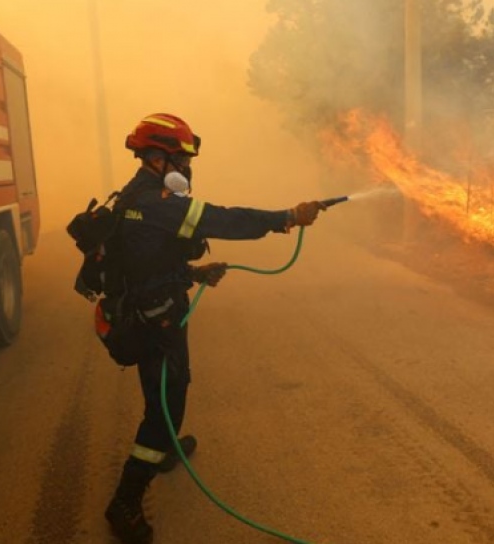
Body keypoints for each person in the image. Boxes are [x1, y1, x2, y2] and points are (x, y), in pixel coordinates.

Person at [99, 113, 326, 544]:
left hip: (153, 306)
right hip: (155, 320)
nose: (187, 168)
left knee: (162, 392)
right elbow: (222, 220)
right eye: (181, 159)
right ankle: (126, 500)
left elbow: (146, 261)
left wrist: (196, 274)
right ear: (156, 158)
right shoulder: (154, 203)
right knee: (168, 401)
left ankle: (162, 446)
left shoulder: (139, 197)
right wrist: (287, 216)